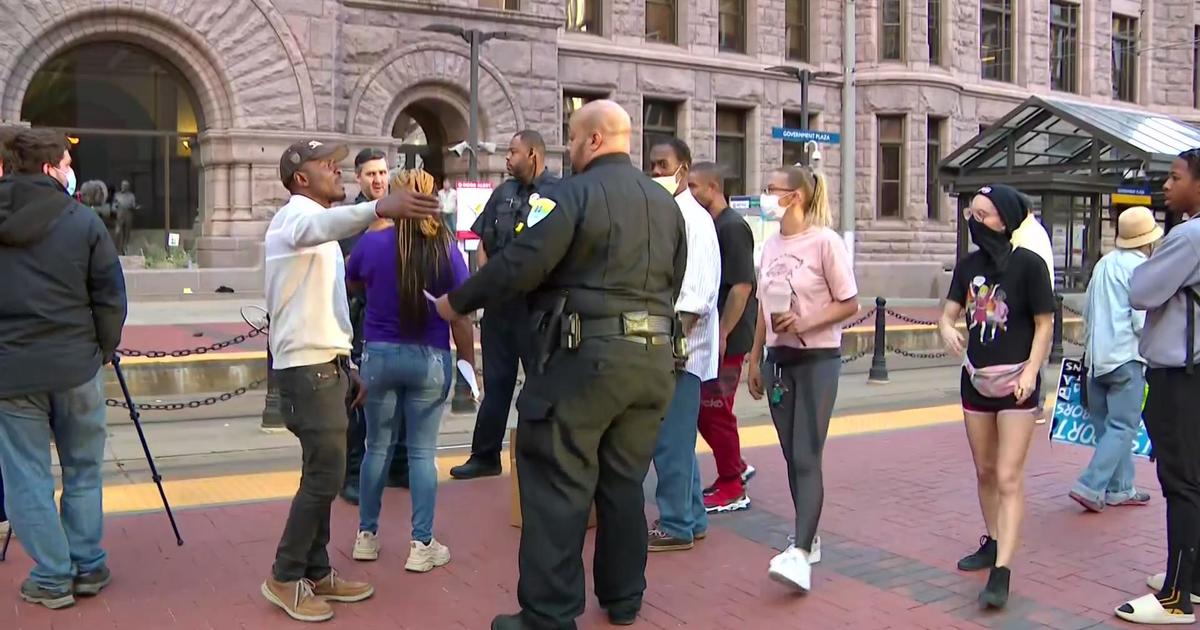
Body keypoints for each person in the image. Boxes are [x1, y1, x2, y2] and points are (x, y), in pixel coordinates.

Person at [434, 100, 687, 629]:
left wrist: (457, 302)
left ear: (593, 140)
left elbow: (522, 262)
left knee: (556, 479)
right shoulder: (667, 207)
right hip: (655, 361)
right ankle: (624, 598)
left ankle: (548, 615)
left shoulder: (570, 196)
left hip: (584, 361)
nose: (568, 150)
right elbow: (674, 279)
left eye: (572, 139)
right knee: (623, 481)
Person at [261, 138, 440, 623]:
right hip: (307, 370)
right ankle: (284, 575)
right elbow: (319, 226)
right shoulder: (294, 218)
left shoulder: (314, 233)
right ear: (301, 179)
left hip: (327, 365)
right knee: (324, 478)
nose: (337, 173)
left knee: (322, 474)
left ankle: (316, 571)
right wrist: (380, 207)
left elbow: (329, 306)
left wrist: (348, 364)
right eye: (327, 167)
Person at [0, 128, 127, 609]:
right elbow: (111, 296)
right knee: (83, 469)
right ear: (52, 168)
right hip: (76, 366)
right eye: (67, 161)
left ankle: (52, 576)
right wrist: (102, 348)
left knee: (26, 475)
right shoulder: (83, 221)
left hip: (11, 372)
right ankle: (87, 564)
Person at [348, 168, 474, 571]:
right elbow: (461, 315)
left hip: (379, 357)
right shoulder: (446, 250)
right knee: (422, 453)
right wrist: (469, 365)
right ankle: (421, 545)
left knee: (376, 449)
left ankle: (366, 537)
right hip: (429, 359)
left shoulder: (372, 244)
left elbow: (350, 283)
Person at [937, 184, 1054, 609]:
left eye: (983, 214)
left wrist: (1031, 371)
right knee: (985, 470)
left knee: (1008, 475)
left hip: (1016, 384)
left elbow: (1044, 324)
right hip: (976, 380)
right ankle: (993, 540)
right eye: (972, 212)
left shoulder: (1029, 266)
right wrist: (948, 327)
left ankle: (1002, 570)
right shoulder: (968, 266)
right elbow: (948, 313)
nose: (975, 220)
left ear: (1004, 221)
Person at [745, 165, 859, 593]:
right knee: (794, 455)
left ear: (795, 197)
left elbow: (849, 302)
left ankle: (801, 551)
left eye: (771, 189)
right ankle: (806, 538)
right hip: (779, 361)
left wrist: (807, 320)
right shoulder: (770, 244)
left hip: (817, 360)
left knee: (808, 454)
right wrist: (755, 357)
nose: (765, 196)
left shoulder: (825, 242)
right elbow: (762, 304)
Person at [450, 130, 559, 480]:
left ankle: (540, 456)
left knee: (541, 383)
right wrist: (489, 279)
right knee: (496, 382)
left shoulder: (558, 193)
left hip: (538, 307)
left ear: (533, 153)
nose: (507, 158)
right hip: (501, 306)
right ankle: (484, 455)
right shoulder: (503, 193)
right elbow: (483, 241)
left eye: (513, 152)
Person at [1120, 149, 1200, 625]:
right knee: (1194, 479)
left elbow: (1141, 290)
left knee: (1181, 483)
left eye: (1175, 177)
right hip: (1194, 372)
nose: (1166, 186)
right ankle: (1191, 577)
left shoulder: (1189, 237)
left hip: (1178, 374)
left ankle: (1175, 597)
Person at [645, 139, 720, 552]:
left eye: (664, 164)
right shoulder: (674, 214)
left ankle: (675, 523)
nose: (656, 172)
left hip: (683, 350)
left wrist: (672, 342)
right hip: (679, 346)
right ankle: (691, 515)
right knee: (677, 439)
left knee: (669, 440)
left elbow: (696, 293)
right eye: (652, 164)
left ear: (683, 168)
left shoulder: (692, 219)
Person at [1069, 206, 1161, 513]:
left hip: (1095, 359)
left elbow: (1088, 312)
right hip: (1126, 358)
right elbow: (1141, 321)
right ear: (1147, 241)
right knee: (1123, 426)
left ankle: (1121, 488)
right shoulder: (1142, 269)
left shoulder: (1104, 264)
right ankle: (1090, 485)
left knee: (1107, 428)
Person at [338, 148, 408, 505]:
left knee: (400, 396)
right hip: (359, 319)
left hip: (395, 320)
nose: (378, 179)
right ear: (358, 178)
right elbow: (350, 269)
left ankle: (399, 466)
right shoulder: (349, 218)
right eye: (370, 174)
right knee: (358, 402)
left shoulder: (400, 213)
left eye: (382, 173)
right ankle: (351, 475)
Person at [688, 161, 758, 513]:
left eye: (694, 187)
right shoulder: (711, 225)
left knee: (714, 410)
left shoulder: (731, 228)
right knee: (708, 409)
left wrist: (723, 332)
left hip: (727, 335)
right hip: (715, 333)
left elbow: (742, 286)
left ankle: (733, 484)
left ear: (713, 187)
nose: (689, 193)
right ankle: (736, 468)